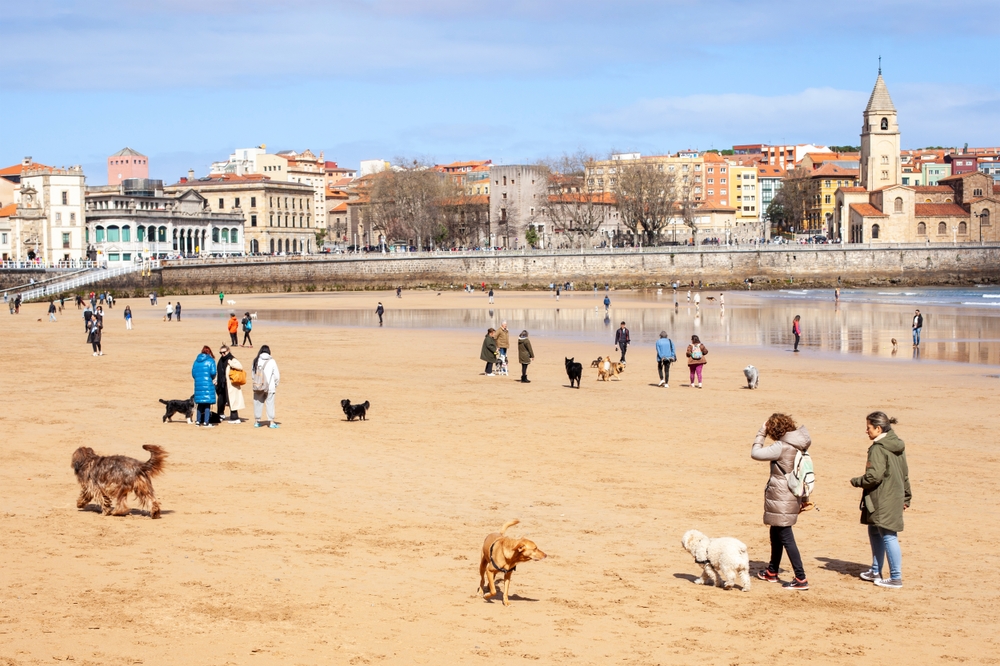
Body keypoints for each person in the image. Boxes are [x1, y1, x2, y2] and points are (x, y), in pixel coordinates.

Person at [752, 412, 812, 590]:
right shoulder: (799, 444)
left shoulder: (782, 446)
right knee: (776, 533)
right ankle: (772, 571)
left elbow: (755, 453)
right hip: (793, 495)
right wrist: (804, 498)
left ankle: (801, 578)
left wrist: (761, 433)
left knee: (786, 536)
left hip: (781, 496)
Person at [851, 412, 911, 589]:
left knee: (888, 536)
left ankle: (895, 577)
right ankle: (875, 570)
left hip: (882, 498)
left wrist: (856, 481)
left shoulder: (878, 448)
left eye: (868, 427)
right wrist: (907, 497)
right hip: (894, 496)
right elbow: (904, 473)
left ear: (878, 428)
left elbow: (873, 477)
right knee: (875, 531)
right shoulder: (897, 445)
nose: (866, 431)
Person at [252, 345, 280, 428]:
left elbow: (253, 374)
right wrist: (275, 384)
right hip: (270, 387)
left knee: (257, 403)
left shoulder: (256, 360)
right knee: (270, 404)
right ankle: (271, 422)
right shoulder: (272, 361)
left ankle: (257, 421)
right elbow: (276, 376)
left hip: (258, 386)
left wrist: (257, 383)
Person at [216, 345, 246, 424]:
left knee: (232, 400)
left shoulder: (232, 359)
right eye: (221, 353)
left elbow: (240, 366)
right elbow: (219, 372)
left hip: (231, 384)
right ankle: (220, 414)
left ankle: (235, 418)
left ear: (228, 351)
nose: (222, 354)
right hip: (222, 384)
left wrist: (231, 363)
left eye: (224, 352)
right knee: (220, 399)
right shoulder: (220, 360)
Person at [191, 346, 217, 427]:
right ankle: (206, 422)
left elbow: (193, 373)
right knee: (207, 404)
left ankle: (198, 421)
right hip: (208, 383)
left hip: (198, 384)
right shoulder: (210, 361)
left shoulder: (196, 361)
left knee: (200, 403)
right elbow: (213, 372)